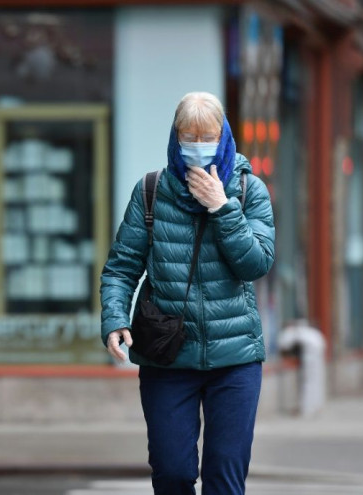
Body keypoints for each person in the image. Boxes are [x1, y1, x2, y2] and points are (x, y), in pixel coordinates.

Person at [100, 91, 275, 495]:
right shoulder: (150, 191)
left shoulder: (249, 191)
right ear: (175, 136)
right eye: (189, 137)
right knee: (173, 473)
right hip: (167, 356)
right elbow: (121, 267)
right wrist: (114, 319)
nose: (198, 146)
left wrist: (222, 207)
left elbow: (257, 264)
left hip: (235, 359)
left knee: (224, 478)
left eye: (207, 136)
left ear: (224, 135)